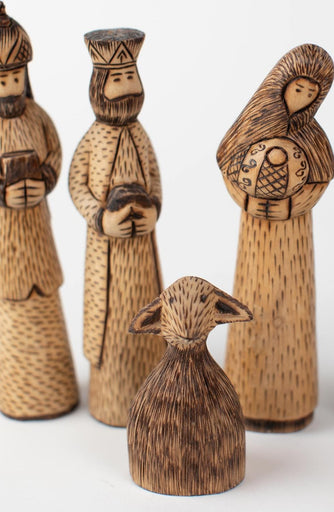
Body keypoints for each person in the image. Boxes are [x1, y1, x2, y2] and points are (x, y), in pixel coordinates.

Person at [217, 44, 334, 432]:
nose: (302, 98)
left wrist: (291, 206)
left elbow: (320, 180)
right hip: (255, 237)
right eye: (297, 89)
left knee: (292, 313)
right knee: (250, 307)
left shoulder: (312, 136)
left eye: (311, 94)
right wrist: (248, 199)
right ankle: (246, 395)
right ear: (279, 85)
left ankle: (292, 399)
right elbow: (228, 166)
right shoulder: (250, 125)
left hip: (293, 240)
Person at [69, 28, 164, 427]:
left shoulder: (141, 136)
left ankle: (152, 390)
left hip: (142, 254)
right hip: (105, 255)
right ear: (98, 85)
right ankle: (110, 399)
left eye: (130, 76)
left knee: (147, 317)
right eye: (117, 78)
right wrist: (101, 218)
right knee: (109, 323)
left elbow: (155, 182)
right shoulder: (93, 139)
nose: (126, 86)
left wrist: (154, 210)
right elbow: (77, 186)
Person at [0, 2, 78, 419]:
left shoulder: (38, 117)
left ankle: (54, 388)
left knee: (45, 291)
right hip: (7, 235)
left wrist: (45, 179)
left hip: (38, 232)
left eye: (16, 77)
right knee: (11, 296)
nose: (10, 87)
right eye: (2, 79)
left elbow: (55, 154)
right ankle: (19, 392)